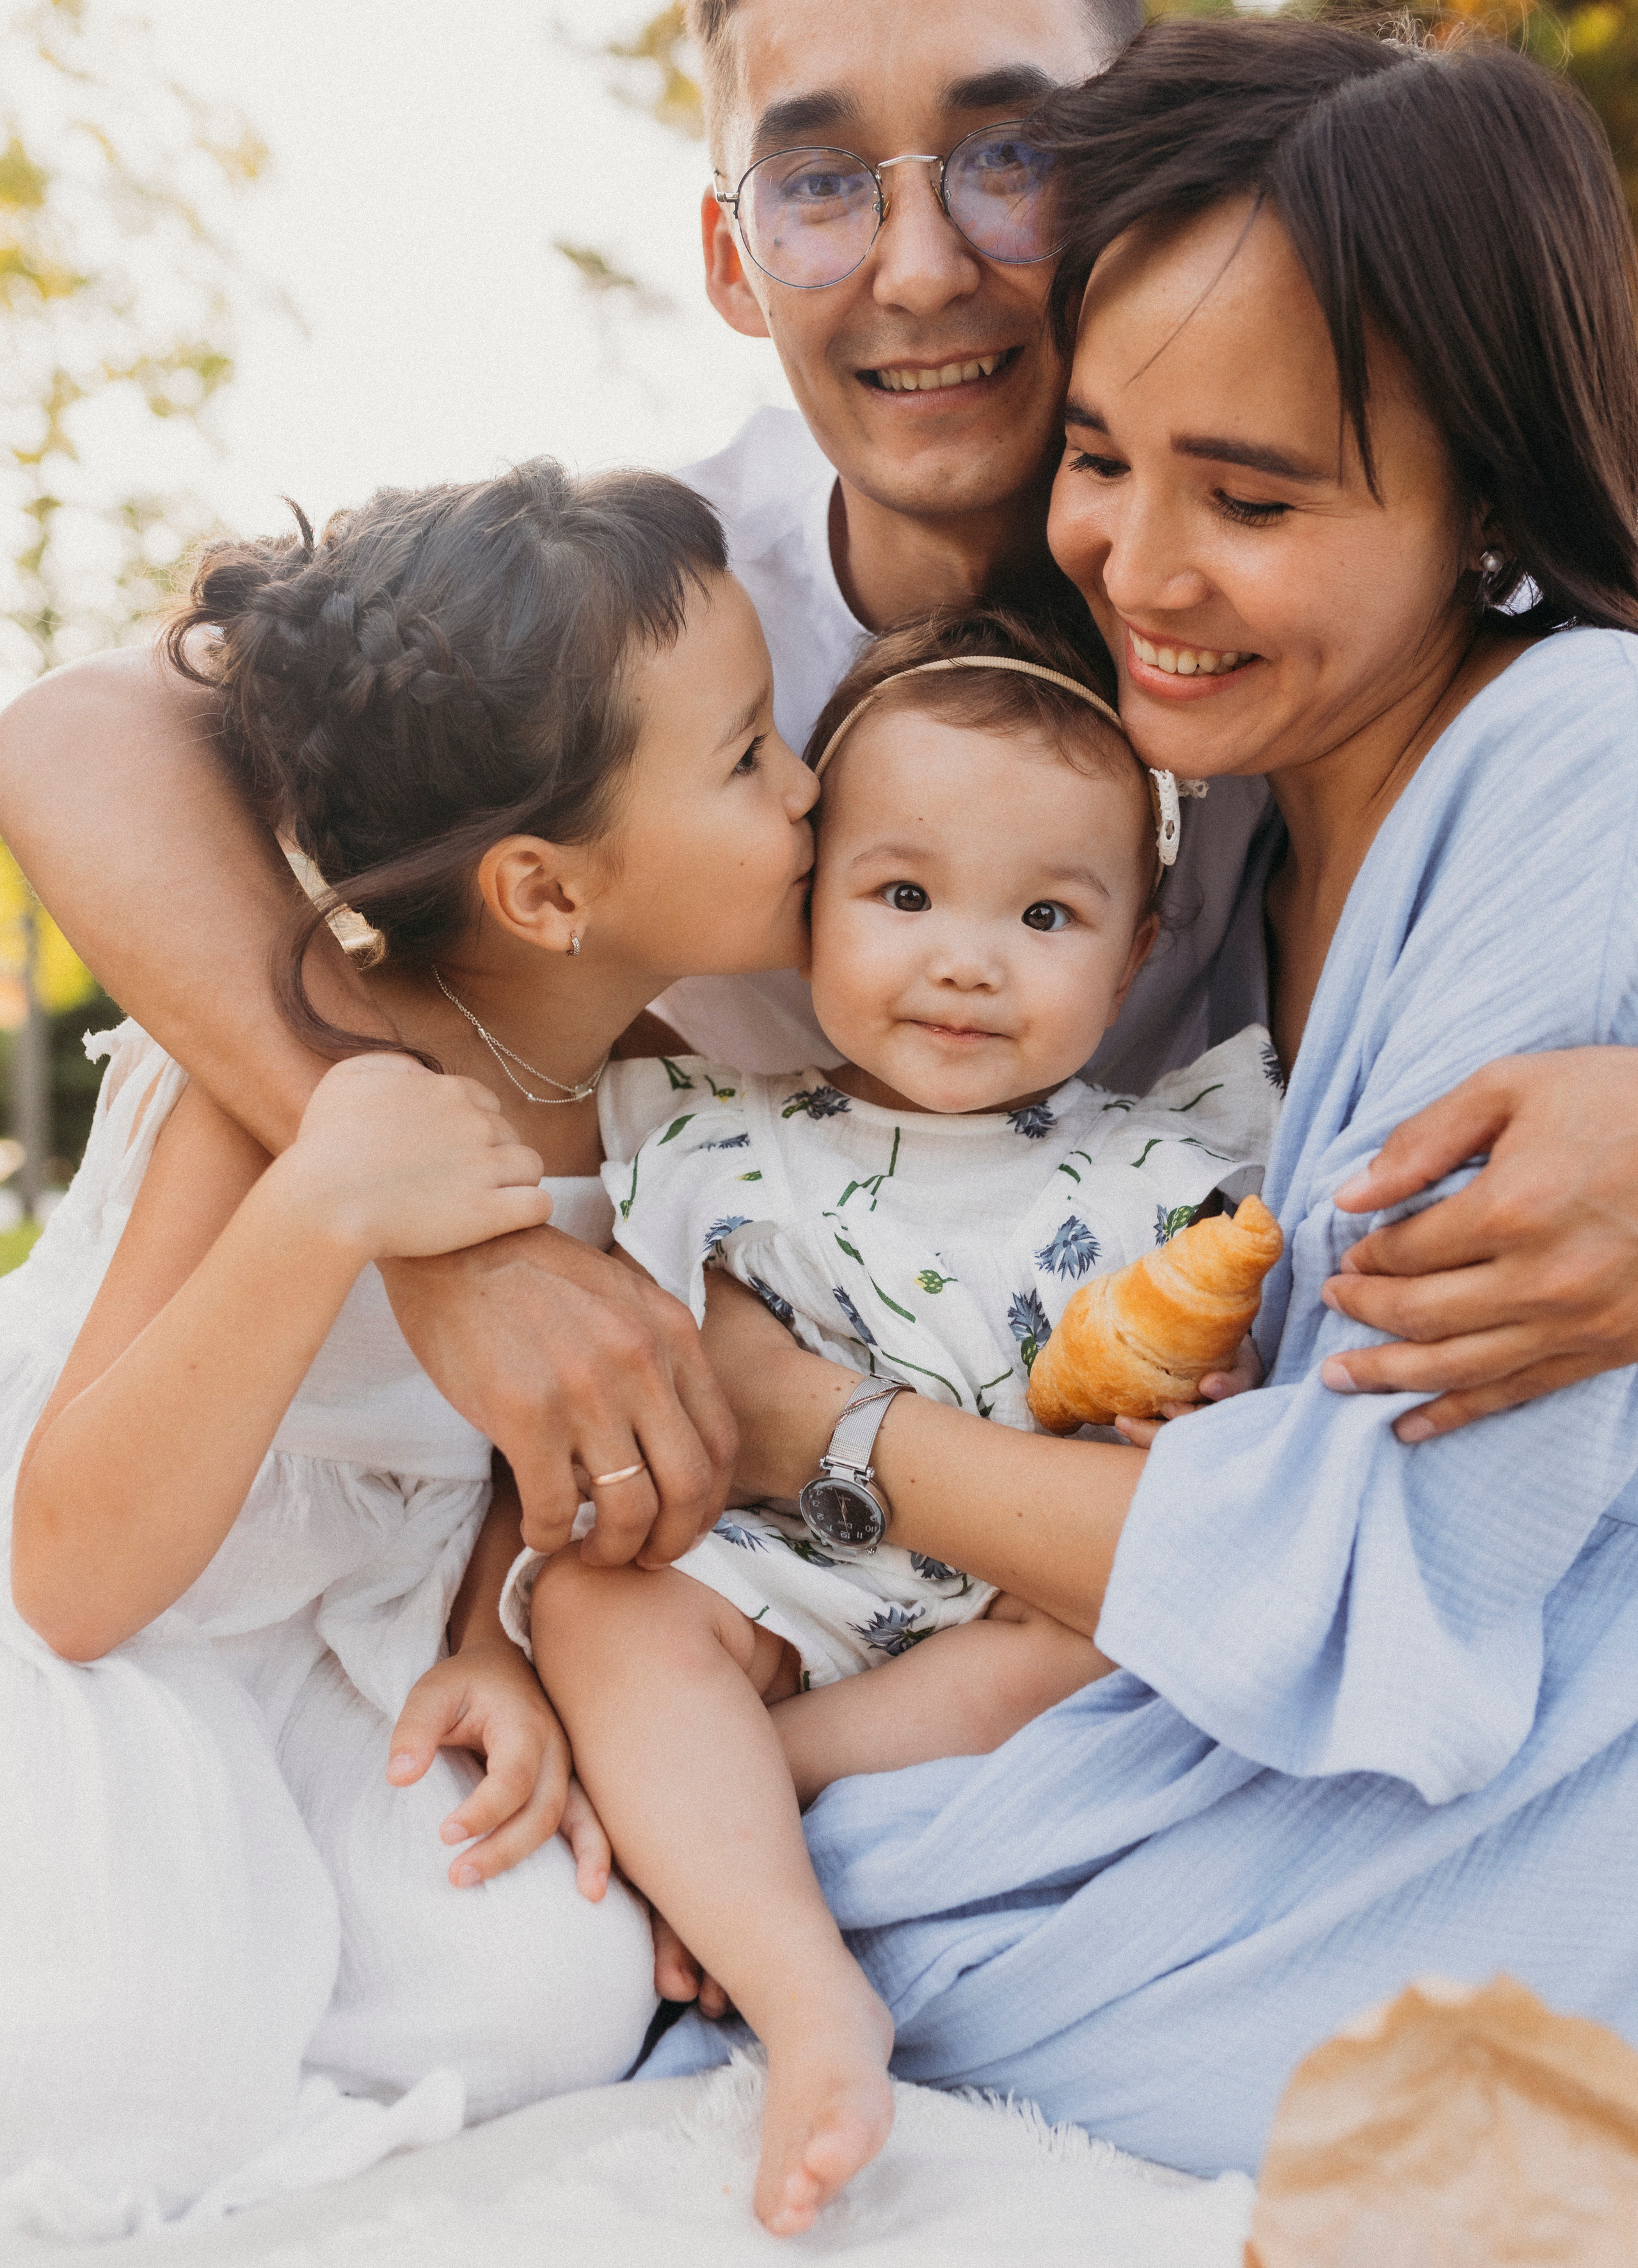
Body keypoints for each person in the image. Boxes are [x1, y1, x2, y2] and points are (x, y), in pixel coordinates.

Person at [3, 0, 1636, 1595]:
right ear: (731, 254)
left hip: (1006, 1522)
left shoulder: (1356, 606)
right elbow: (86, 729)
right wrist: (452, 1233)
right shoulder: (669, 615)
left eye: (1009, 153)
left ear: (1137, 186)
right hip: (713, 1544)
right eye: (816, 182)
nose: (917, 270)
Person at [648, 17, 1638, 2170]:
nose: (1142, 569)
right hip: (1106, 1709)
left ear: (1484, 489)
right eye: (1101, 457)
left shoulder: (1569, 766)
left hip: (1469, 1830)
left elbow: (1378, 1573)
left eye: (1254, 498)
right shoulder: (1227, 814)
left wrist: (809, 1425)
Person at [0, 459, 819, 2219]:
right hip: (105, 1597)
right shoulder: (295, 1075)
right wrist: (320, 1206)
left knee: (549, 1994)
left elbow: (549, 1457)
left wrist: (488, 1647)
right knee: (112, 2048)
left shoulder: (668, 1104)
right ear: (544, 891)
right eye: (750, 757)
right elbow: (65, 1574)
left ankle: (274, 1992)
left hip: (349, 1639)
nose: (807, 787)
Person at [522, 602, 1280, 2230]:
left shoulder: (1167, 1180)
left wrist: (1200, 1407)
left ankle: (731, 1798)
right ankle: (812, 1999)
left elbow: (1209, 1429)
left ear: (1141, 948)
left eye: (1047, 914)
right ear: (809, 905)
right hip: (777, 1583)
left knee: (1127, 1641)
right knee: (594, 1604)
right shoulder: (716, 1143)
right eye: (904, 895)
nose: (965, 959)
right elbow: (593, 1419)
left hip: (1008, 1618)